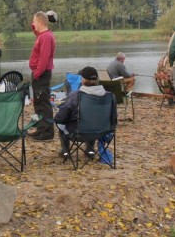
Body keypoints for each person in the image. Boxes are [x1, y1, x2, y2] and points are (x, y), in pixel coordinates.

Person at [54, 67, 117, 157]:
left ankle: (65, 152)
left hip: (78, 133)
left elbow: (60, 117)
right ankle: (89, 151)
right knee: (93, 122)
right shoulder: (110, 96)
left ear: (83, 80)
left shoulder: (76, 96)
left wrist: (58, 118)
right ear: (97, 80)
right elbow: (113, 118)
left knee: (61, 126)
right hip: (102, 131)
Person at [28, 11, 56, 141]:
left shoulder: (45, 37)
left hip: (42, 74)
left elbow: (44, 59)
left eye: (34, 21)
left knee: (43, 102)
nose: (32, 24)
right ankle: (40, 128)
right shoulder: (41, 35)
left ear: (40, 22)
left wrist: (37, 74)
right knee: (38, 102)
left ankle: (47, 132)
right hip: (39, 73)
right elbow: (36, 32)